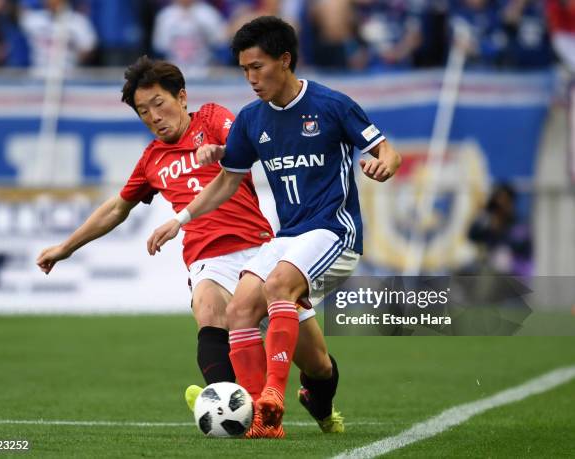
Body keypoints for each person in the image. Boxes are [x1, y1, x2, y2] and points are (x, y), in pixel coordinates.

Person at [36, 55, 344, 433]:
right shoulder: (151, 160)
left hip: (261, 251)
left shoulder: (212, 118)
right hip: (207, 258)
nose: (153, 117)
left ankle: (320, 406)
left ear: (182, 97)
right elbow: (117, 208)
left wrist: (220, 152)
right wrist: (65, 248)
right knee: (208, 305)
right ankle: (230, 403)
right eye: (143, 112)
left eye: (159, 104)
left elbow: (243, 145)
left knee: (318, 365)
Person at [146, 16, 401, 438]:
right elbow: (228, 179)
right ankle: (262, 421)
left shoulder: (332, 105)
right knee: (241, 309)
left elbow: (386, 151)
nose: (250, 78)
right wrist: (181, 219)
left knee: (277, 285)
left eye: (257, 67)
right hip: (289, 237)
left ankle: (272, 396)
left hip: (335, 231)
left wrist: (382, 166)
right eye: (244, 69)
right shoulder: (252, 119)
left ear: (285, 60)